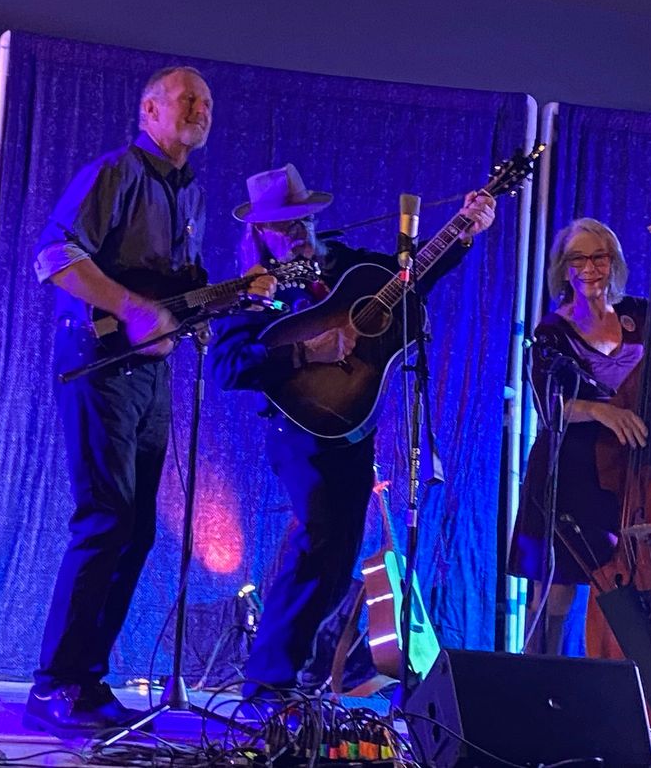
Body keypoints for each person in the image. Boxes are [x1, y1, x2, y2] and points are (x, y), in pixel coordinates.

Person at [26, 66, 275, 735]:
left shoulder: (189, 195)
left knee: (135, 532)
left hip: (149, 377)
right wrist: (133, 307)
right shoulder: (116, 172)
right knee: (105, 520)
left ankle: (88, 679)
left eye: (209, 103)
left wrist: (234, 295)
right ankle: (53, 683)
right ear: (149, 110)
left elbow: (172, 303)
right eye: (187, 99)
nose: (200, 109)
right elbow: (54, 256)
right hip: (99, 366)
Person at [209, 163, 495, 700]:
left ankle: (293, 677)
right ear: (259, 234)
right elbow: (228, 367)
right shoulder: (253, 290)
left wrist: (462, 233)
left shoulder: (351, 267)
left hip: (354, 428)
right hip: (299, 431)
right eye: (283, 224)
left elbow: (413, 277)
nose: (298, 231)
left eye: (304, 219)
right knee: (318, 542)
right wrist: (302, 351)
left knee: (339, 559)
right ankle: (268, 681)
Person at [509, 215, 651, 655]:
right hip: (570, 472)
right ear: (563, 269)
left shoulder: (639, 314)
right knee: (557, 593)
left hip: (630, 472)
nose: (589, 268)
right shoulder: (552, 330)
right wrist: (600, 411)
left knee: (632, 585)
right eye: (577, 259)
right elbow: (550, 408)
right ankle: (539, 686)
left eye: (599, 257)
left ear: (614, 262)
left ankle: (632, 691)